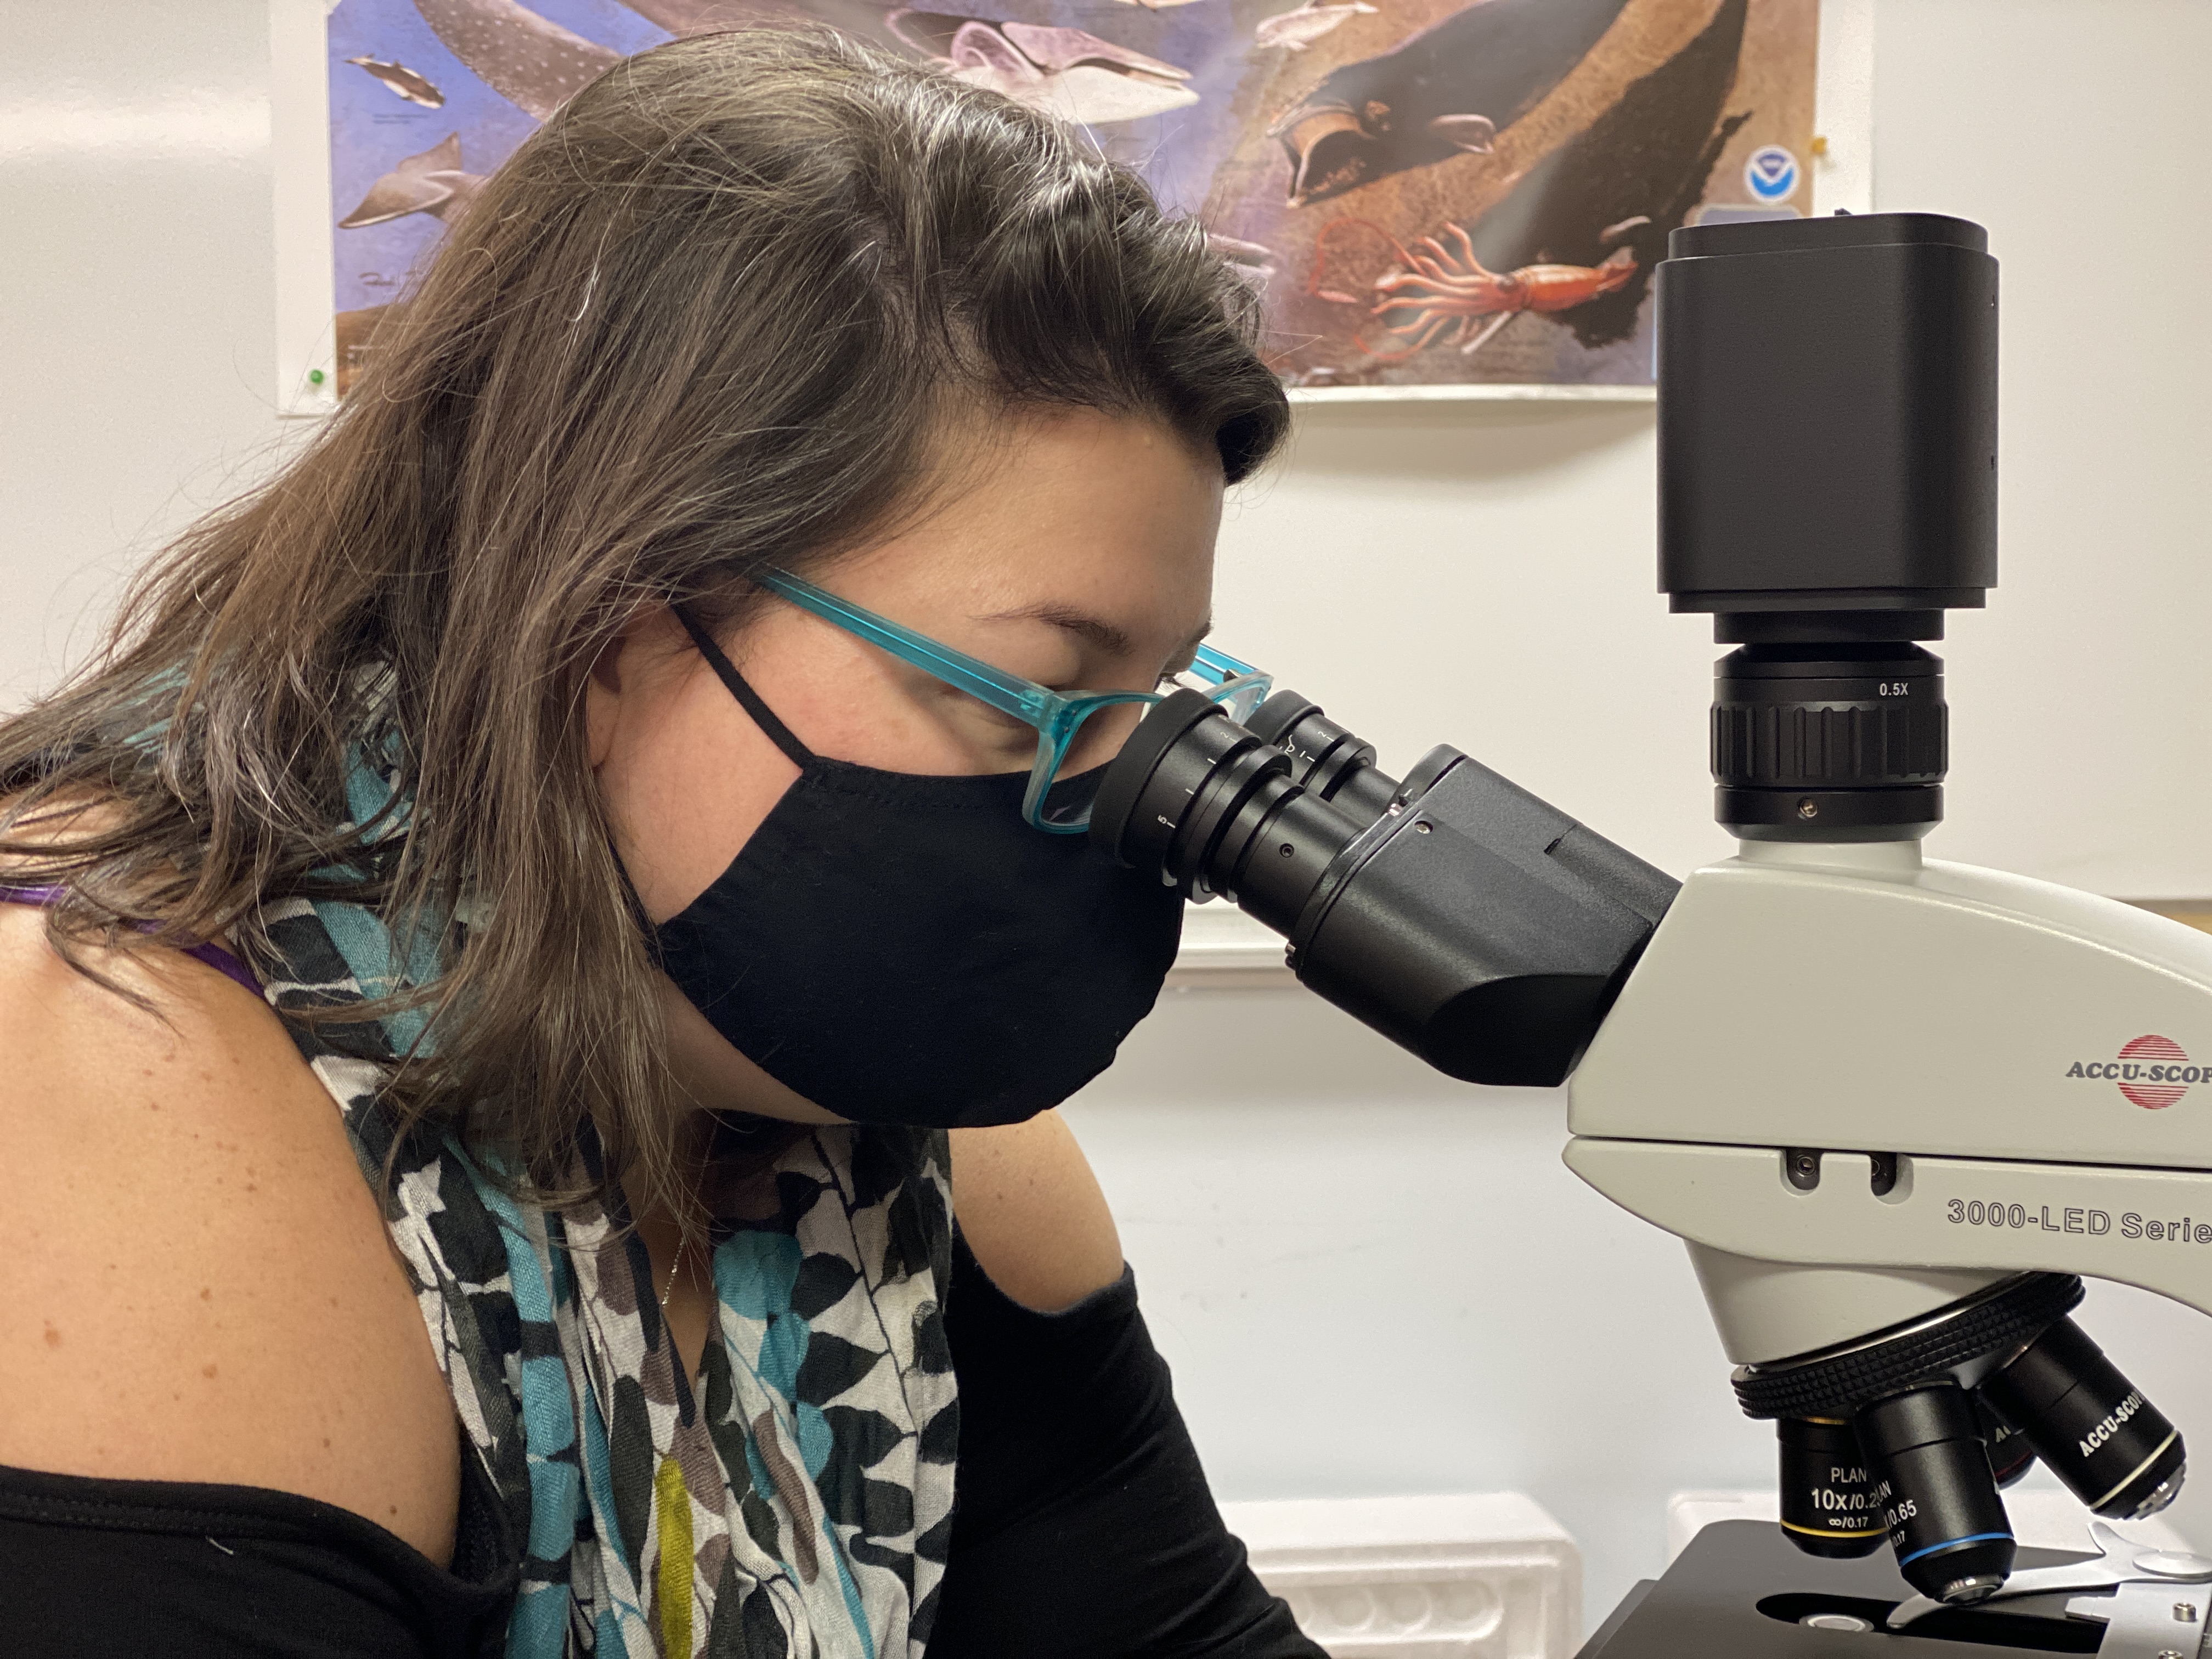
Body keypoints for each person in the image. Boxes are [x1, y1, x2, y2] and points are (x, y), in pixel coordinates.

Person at [0, 25, 1321, 1658]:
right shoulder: (117, 1059)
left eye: (1149, 699)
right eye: (1038, 697)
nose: (1109, 794)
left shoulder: (875, 1100)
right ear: (611, 638)